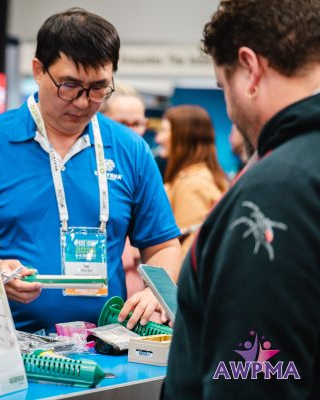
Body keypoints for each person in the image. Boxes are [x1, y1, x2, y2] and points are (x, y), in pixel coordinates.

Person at [0, 8, 181, 333]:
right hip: (0, 342)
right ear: (38, 70)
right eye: (69, 86)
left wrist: (155, 292)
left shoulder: (130, 150)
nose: (83, 102)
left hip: (104, 344)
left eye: (98, 88)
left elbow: (164, 245)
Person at [164, 1, 320, 398]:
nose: (230, 109)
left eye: (223, 86)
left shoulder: (277, 190)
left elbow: (255, 379)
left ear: (250, 69)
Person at [159, 105, 228, 257]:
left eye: (164, 131)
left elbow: (187, 251)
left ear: (183, 137)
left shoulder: (194, 184)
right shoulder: (197, 178)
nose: (158, 138)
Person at [100, 84, 147, 297]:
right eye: (122, 124)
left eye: (137, 123)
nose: (131, 131)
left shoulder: (142, 166)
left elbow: (162, 243)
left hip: (130, 296)